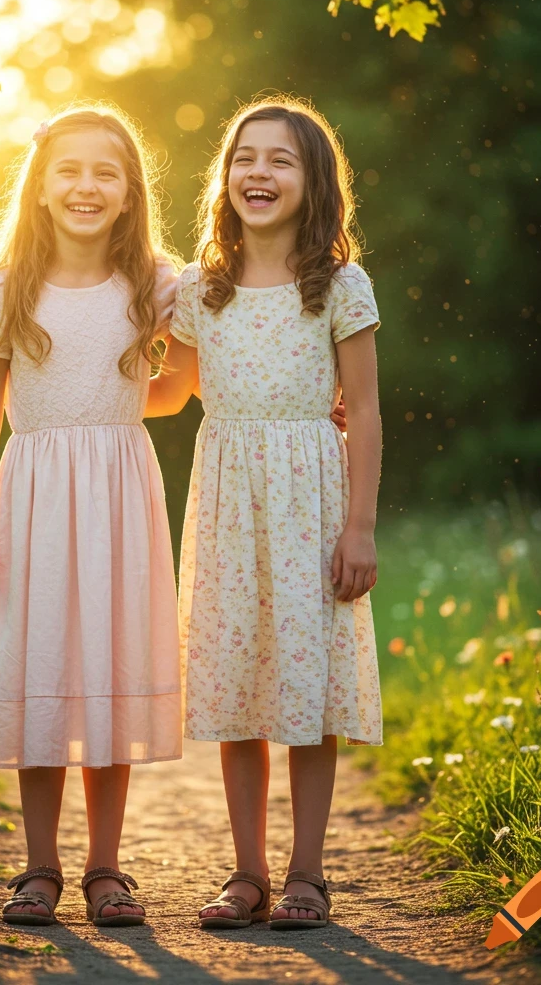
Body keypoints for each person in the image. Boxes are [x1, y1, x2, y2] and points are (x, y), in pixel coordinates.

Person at [146, 97, 383, 931]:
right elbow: (174, 392)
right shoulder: (197, 289)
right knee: (237, 684)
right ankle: (245, 873)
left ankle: (308, 874)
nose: (259, 172)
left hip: (312, 500)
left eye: (281, 160)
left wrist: (359, 528)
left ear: (314, 181)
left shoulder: (340, 286)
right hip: (228, 502)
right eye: (245, 157)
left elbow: (367, 411)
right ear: (225, 175)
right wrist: (76, 388)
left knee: (306, 690)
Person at [0, 105, 181, 930]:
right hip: (34, 493)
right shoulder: (4, 286)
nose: (87, 186)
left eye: (105, 173)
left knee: (111, 665)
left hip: (119, 488)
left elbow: (185, 384)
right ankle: (40, 866)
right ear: (41, 187)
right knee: (41, 666)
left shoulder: (156, 283)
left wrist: (109, 412)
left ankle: (107, 868)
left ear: (129, 194)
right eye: (70, 171)